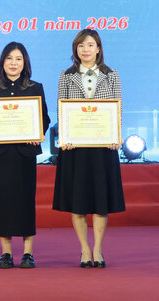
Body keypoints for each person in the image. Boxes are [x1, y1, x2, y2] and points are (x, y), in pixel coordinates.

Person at [0, 42, 50, 269]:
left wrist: (39, 132)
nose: (13, 63)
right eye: (9, 59)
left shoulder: (35, 87)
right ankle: (5, 253)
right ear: (2, 62)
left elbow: (43, 118)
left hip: (24, 153)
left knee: (25, 201)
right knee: (1, 202)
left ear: (25, 63)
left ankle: (28, 253)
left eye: (18, 59)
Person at [53, 28, 125, 268]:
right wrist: (65, 137)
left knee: (100, 201)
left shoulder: (112, 75)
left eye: (90, 45)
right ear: (76, 49)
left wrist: (116, 135)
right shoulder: (66, 75)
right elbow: (61, 110)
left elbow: (117, 109)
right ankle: (84, 249)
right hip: (76, 148)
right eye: (81, 45)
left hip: (103, 146)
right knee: (79, 201)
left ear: (99, 48)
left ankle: (98, 249)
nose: (86, 50)